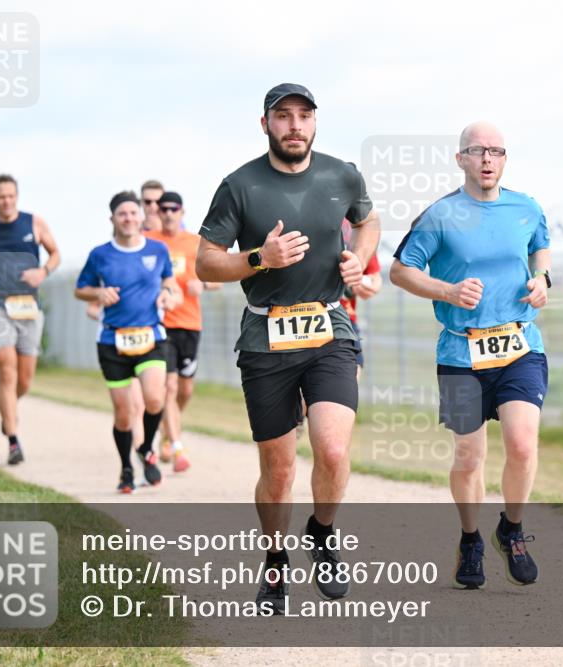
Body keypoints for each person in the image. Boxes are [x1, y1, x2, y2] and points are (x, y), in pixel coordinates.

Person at [196, 83, 380, 613]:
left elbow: (368, 220)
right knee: (278, 470)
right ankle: (275, 562)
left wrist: (359, 258)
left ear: (315, 123)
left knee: (334, 448)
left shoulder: (342, 174)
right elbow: (206, 262)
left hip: (329, 330)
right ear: (266, 125)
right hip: (265, 337)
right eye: (283, 116)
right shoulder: (239, 185)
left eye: (304, 116)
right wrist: (260, 259)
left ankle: (321, 532)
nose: (294, 125)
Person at [389, 122, 551, 590]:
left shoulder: (526, 207)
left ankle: (513, 530)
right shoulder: (441, 215)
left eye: (496, 151)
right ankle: (470, 539)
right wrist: (448, 290)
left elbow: (541, 249)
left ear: (504, 160)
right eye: (477, 151)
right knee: (468, 456)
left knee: (522, 444)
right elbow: (401, 271)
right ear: (460, 158)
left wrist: (543, 281)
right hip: (461, 352)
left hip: (519, 345)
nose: (487, 159)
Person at [75, 191, 181, 493]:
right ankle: (125, 468)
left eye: (133, 213)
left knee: (155, 399)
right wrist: (98, 294)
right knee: (123, 414)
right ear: (113, 219)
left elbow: (170, 284)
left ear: (141, 217)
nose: (129, 218)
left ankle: (146, 447)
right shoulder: (100, 254)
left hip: (151, 336)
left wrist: (168, 296)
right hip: (112, 340)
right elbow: (81, 290)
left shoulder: (158, 251)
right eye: (122, 214)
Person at [0, 174, 61, 465]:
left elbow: (55, 253)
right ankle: (13, 439)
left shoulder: (35, 223)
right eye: (0, 196)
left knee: (24, 380)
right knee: (6, 371)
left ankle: (8, 412)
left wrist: (43, 272)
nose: (6, 201)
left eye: (10, 196)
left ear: (16, 196)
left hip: (28, 307)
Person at [146, 191, 219, 471]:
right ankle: (177, 447)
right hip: (161, 324)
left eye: (173, 208)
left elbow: (216, 279)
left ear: (182, 211)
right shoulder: (150, 241)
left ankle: (167, 429)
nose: (167, 213)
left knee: (185, 390)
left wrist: (204, 286)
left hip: (190, 324)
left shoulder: (195, 243)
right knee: (169, 386)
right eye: (163, 208)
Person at [339, 218, 382, 376]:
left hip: (344, 319)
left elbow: (375, 278)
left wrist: (366, 285)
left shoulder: (357, 225)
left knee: (349, 382)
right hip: (298, 314)